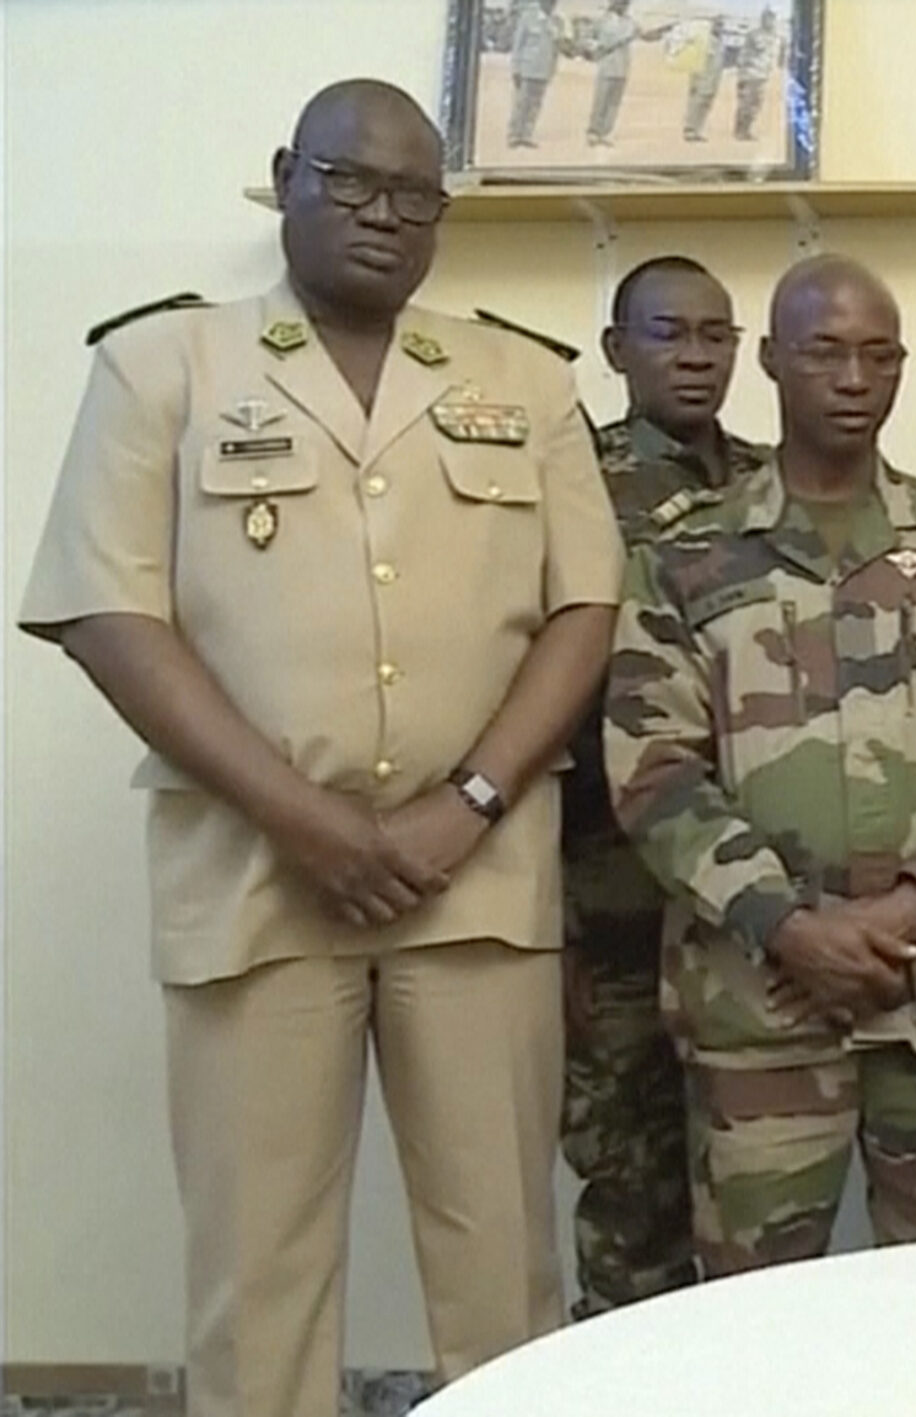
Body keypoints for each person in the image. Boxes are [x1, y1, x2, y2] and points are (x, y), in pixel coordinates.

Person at [16, 80, 622, 1417]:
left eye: (413, 195)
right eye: (350, 182)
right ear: (287, 174)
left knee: (503, 1265)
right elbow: (105, 610)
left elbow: (586, 606)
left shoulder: (524, 377)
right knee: (258, 1269)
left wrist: (464, 803)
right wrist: (306, 819)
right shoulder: (162, 365)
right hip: (254, 877)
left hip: (477, 881)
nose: (382, 215)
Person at [605, 253, 916, 1274]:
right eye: (825, 352)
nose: (854, 378)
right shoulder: (685, 553)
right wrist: (792, 926)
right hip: (757, 1001)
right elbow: (653, 767)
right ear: (769, 361)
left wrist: (906, 910)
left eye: (878, 354)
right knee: (752, 1313)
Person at [556, 255, 764, 1320]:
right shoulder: (568, 482)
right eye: (667, 334)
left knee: (749, 1188)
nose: (694, 356)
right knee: (632, 1189)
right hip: (615, 904)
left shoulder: (781, 481)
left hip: (755, 901)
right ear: (615, 350)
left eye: (713, 336)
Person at [585, 0, 672, 149]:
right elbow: (588, 38)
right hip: (606, 65)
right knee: (601, 100)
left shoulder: (630, 22)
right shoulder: (602, 20)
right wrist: (597, 47)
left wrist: (662, 31)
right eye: (620, 3)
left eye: (625, 3)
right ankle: (593, 132)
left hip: (622, 67)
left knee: (614, 103)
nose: (623, 6)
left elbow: (645, 36)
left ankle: (605, 133)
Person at [506, 0, 565, 149]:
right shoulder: (528, 18)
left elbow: (556, 50)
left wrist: (553, 69)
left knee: (535, 105)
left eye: (553, 3)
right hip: (527, 68)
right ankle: (514, 135)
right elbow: (518, 45)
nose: (551, 5)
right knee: (522, 103)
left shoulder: (556, 22)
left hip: (544, 69)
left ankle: (527, 134)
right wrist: (516, 68)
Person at [733, 9, 783, 143]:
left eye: (773, 19)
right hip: (750, 74)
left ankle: (746, 129)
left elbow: (773, 56)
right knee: (747, 103)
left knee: (757, 104)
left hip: (762, 74)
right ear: (763, 20)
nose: (771, 22)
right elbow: (752, 50)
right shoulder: (755, 35)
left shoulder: (773, 36)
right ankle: (741, 131)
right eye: (768, 19)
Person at [681, 17, 731, 143]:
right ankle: (689, 129)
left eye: (721, 26)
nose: (719, 28)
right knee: (696, 104)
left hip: (714, 79)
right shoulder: (704, 40)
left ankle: (698, 130)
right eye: (717, 25)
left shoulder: (721, 43)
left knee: (706, 105)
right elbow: (695, 61)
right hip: (701, 78)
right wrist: (694, 81)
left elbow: (721, 62)